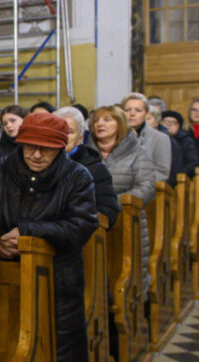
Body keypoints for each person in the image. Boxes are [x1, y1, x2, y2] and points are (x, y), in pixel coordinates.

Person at [0, 113, 97, 362]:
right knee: (2, 350)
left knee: (51, 356)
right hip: (3, 276)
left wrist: (27, 232)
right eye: (29, 146)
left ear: (61, 148)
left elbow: (81, 226)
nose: (36, 154)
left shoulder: (77, 176)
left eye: (46, 149)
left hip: (55, 280)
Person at [87, 104, 156, 293]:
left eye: (107, 120)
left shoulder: (138, 153)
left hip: (127, 222)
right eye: (96, 121)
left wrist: (109, 203)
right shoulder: (86, 154)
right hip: (93, 223)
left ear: (121, 124)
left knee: (127, 276)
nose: (100, 124)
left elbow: (146, 188)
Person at [55, 105, 120, 224]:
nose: (62, 136)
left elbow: (108, 211)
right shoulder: (37, 163)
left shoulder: (95, 168)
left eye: (69, 132)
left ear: (80, 138)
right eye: (57, 130)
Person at [122, 92, 171, 183]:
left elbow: (162, 172)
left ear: (146, 114)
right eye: (127, 110)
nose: (132, 114)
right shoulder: (113, 135)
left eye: (138, 110)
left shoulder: (160, 138)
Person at [162, 110, 198, 178]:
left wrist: (178, 174)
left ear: (179, 126)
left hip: (179, 180)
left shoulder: (187, 141)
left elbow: (193, 163)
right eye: (166, 121)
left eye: (173, 122)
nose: (169, 124)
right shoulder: (154, 139)